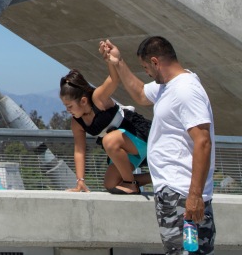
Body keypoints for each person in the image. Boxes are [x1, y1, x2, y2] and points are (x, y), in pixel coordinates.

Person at [103, 36, 216, 255]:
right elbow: (140, 94)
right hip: (173, 194)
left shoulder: (185, 90)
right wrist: (118, 62)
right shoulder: (168, 87)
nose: (147, 72)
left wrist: (194, 196)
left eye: (146, 67)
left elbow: (203, 141)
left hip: (183, 195)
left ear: (156, 62)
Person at [59, 56, 152, 194]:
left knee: (108, 140)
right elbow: (79, 151)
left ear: (83, 101)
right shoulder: (77, 123)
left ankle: (131, 184)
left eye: (70, 106)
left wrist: (110, 60)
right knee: (111, 184)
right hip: (123, 151)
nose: (67, 110)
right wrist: (80, 180)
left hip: (139, 136)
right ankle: (158, 178)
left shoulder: (98, 98)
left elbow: (114, 80)